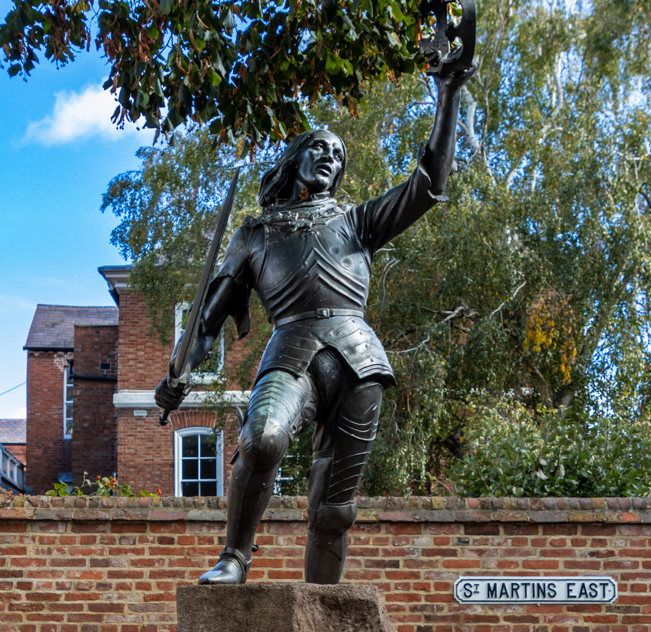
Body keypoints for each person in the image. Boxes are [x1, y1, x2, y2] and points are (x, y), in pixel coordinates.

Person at [155, 63, 472, 584]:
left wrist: (449, 94)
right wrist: (177, 375)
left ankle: (323, 604)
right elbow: (208, 318)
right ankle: (235, 558)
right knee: (262, 439)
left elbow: (428, 184)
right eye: (320, 147)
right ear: (294, 158)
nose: (330, 157)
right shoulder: (254, 234)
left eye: (339, 155)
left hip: (359, 361)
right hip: (291, 350)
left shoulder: (357, 222)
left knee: (334, 508)